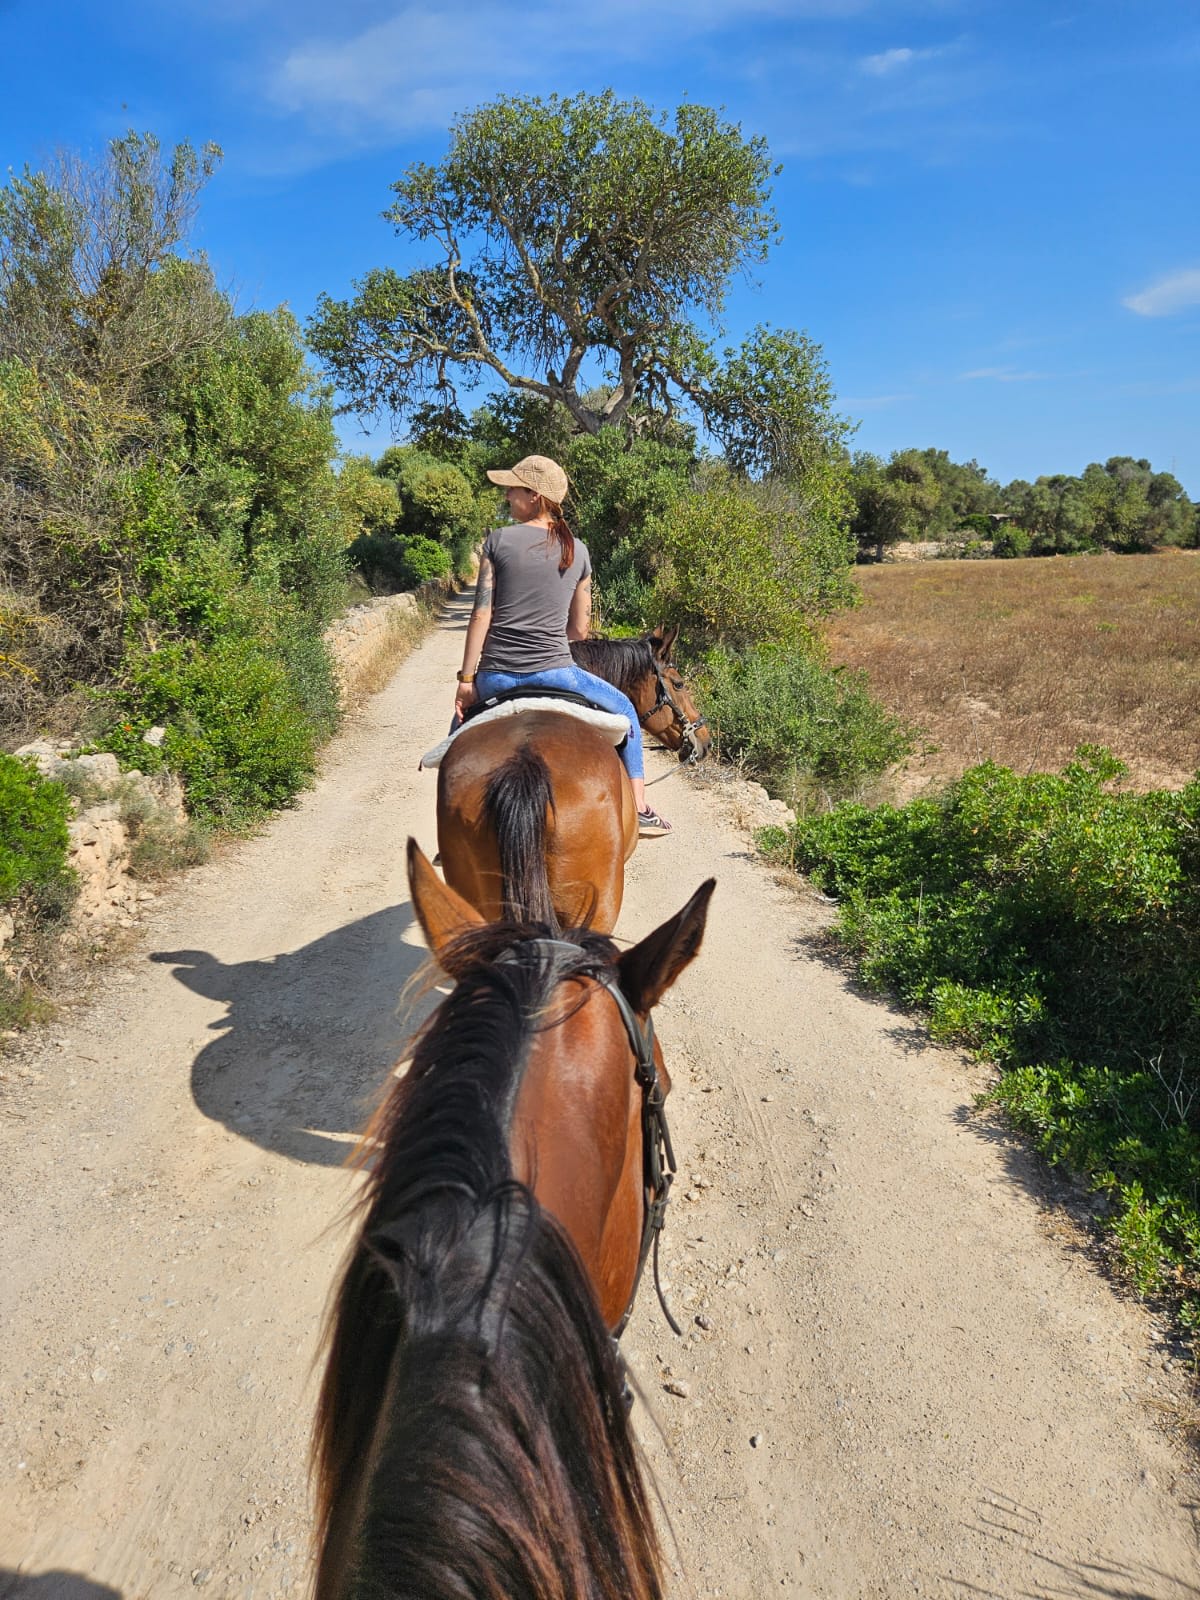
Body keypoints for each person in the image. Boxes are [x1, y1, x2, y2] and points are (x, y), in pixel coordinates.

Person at [453, 453, 671, 834]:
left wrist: (467, 680)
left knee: (456, 739)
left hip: (495, 677)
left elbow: (481, 616)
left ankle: (454, 827)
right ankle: (639, 808)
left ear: (534, 496)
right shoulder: (578, 551)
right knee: (626, 711)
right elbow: (580, 630)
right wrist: (547, 639)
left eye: (513, 488)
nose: (506, 495)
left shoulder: (497, 541)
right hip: (558, 674)